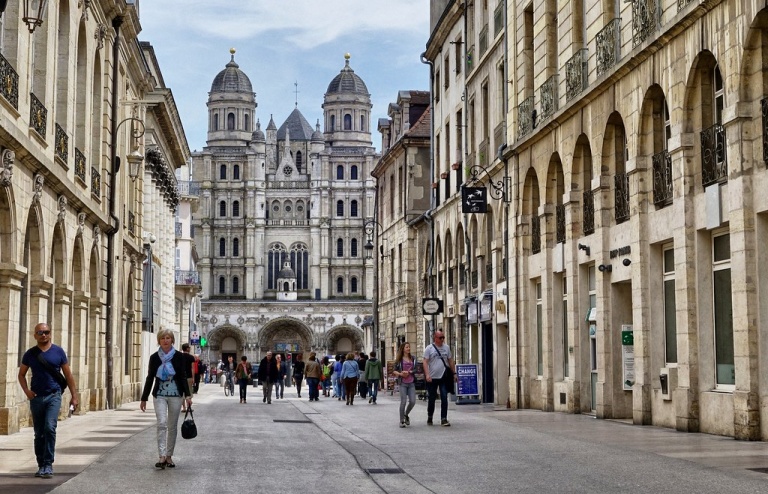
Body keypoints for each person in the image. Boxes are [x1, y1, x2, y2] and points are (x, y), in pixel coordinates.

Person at [18, 322, 79, 479]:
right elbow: (21, 374)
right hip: (36, 397)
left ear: (50, 333)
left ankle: (48, 464)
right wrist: (27, 391)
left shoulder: (58, 352)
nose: (43, 334)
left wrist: (74, 396)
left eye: (46, 332)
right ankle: (41, 465)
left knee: (49, 428)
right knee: (39, 433)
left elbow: (68, 375)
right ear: (35, 335)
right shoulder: (30, 354)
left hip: (54, 395)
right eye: (40, 332)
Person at [140, 328, 193, 469]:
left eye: (168, 338)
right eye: (162, 338)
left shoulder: (179, 357)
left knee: (172, 426)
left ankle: (169, 456)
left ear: (172, 340)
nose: (165, 340)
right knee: (161, 423)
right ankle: (162, 456)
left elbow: (182, 376)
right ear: (159, 341)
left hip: (176, 395)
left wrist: (187, 395)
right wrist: (144, 397)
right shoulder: (154, 357)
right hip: (160, 395)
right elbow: (150, 377)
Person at [423, 331, 456, 426]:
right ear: (435, 338)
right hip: (432, 377)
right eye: (440, 337)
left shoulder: (446, 348)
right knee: (432, 398)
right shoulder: (429, 348)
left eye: (443, 337)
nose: (442, 339)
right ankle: (430, 416)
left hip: (443, 376)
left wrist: (454, 373)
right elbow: (425, 362)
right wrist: (427, 374)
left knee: (444, 397)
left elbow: (450, 360)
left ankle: (444, 418)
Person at [393, 342, 417, 428]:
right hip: (402, 382)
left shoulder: (413, 358)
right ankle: (401, 420)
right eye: (407, 347)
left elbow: (416, 369)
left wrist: (410, 372)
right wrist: (401, 374)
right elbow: (394, 370)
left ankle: (406, 414)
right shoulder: (399, 360)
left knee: (413, 401)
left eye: (409, 347)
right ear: (403, 349)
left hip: (411, 382)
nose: (408, 349)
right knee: (403, 401)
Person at [180, 344, 196, 412]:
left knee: (182, 392)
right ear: (187, 349)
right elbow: (192, 368)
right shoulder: (191, 357)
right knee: (189, 391)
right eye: (189, 348)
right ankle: (189, 406)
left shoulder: (179, 356)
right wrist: (193, 377)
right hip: (189, 376)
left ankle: (183, 407)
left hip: (181, 377)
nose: (190, 349)